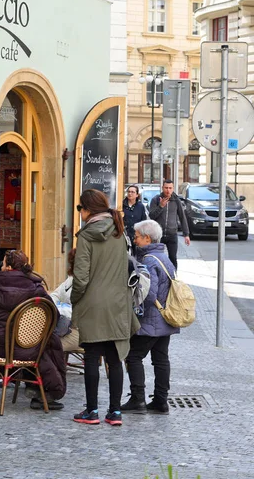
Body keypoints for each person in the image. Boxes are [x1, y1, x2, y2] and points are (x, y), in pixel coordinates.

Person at [71, 189, 140, 426]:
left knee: (91, 357)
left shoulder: (87, 235)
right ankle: (115, 412)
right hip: (118, 303)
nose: (80, 212)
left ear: (88, 209)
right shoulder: (119, 232)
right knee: (115, 358)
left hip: (93, 302)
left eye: (80, 208)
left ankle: (92, 411)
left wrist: (75, 299)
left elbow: (80, 278)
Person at [0, 250, 66, 410]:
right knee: (47, 345)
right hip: (30, 348)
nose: (1, 266)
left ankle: (31, 385)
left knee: (38, 347)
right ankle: (43, 390)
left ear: (8, 267)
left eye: (2, 263)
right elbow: (54, 316)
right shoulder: (37, 289)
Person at [121, 219, 179, 415]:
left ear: (147, 238)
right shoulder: (164, 257)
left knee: (133, 356)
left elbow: (148, 293)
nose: (135, 240)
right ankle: (161, 401)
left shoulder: (148, 260)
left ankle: (138, 399)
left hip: (151, 320)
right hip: (165, 319)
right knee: (161, 360)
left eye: (137, 237)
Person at [148, 179, 190, 270]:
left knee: (173, 258)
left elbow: (182, 217)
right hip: (158, 235)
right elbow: (151, 216)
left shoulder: (176, 201)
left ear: (173, 188)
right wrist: (161, 206)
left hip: (172, 234)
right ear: (162, 188)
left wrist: (186, 234)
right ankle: (159, 277)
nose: (168, 190)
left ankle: (173, 279)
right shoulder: (156, 199)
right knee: (158, 258)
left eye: (170, 188)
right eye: (166, 188)